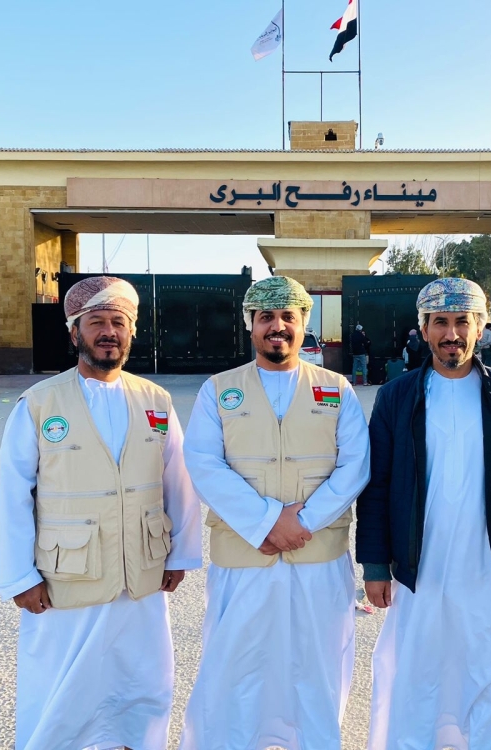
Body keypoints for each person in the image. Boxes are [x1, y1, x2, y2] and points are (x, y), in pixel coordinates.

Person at [0, 276, 202, 750]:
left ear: (130, 332)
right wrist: (19, 576)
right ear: (75, 333)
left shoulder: (156, 401)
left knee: (141, 682)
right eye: (96, 323)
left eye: (118, 322)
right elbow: (13, 493)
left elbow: (178, 481)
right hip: (69, 574)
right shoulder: (39, 403)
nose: (109, 332)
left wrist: (180, 555)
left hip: (141, 572)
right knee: (62, 691)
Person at [356, 277, 491, 750]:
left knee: (490, 670)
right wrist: (374, 564)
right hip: (419, 568)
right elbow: (377, 485)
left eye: (462, 322)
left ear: (481, 327)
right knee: (417, 671)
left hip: (488, 567)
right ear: (424, 329)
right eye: (440, 323)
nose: (452, 334)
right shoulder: (396, 397)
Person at [179, 276, 371, 750]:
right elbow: (203, 463)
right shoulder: (219, 390)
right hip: (244, 558)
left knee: (317, 667)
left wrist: (299, 524)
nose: (277, 327)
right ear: (251, 325)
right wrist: (267, 521)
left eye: (288, 316)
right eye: (266, 317)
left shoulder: (336, 388)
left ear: (304, 324)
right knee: (235, 670)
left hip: (318, 556)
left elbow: (355, 465)